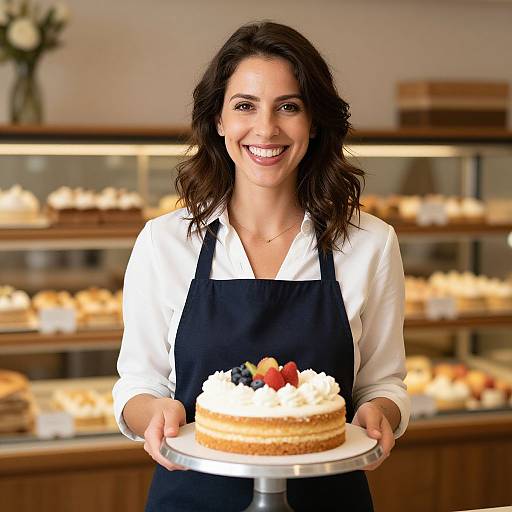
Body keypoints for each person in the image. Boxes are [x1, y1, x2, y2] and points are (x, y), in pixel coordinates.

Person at [113, 21, 410, 512]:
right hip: (192, 498)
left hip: (329, 500)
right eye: (245, 106)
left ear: (313, 122)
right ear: (218, 121)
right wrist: (154, 414)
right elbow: (137, 386)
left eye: (288, 106)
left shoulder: (370, 243)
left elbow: (384, 383)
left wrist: (380, 413)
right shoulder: (164, 242)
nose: (266, 129)